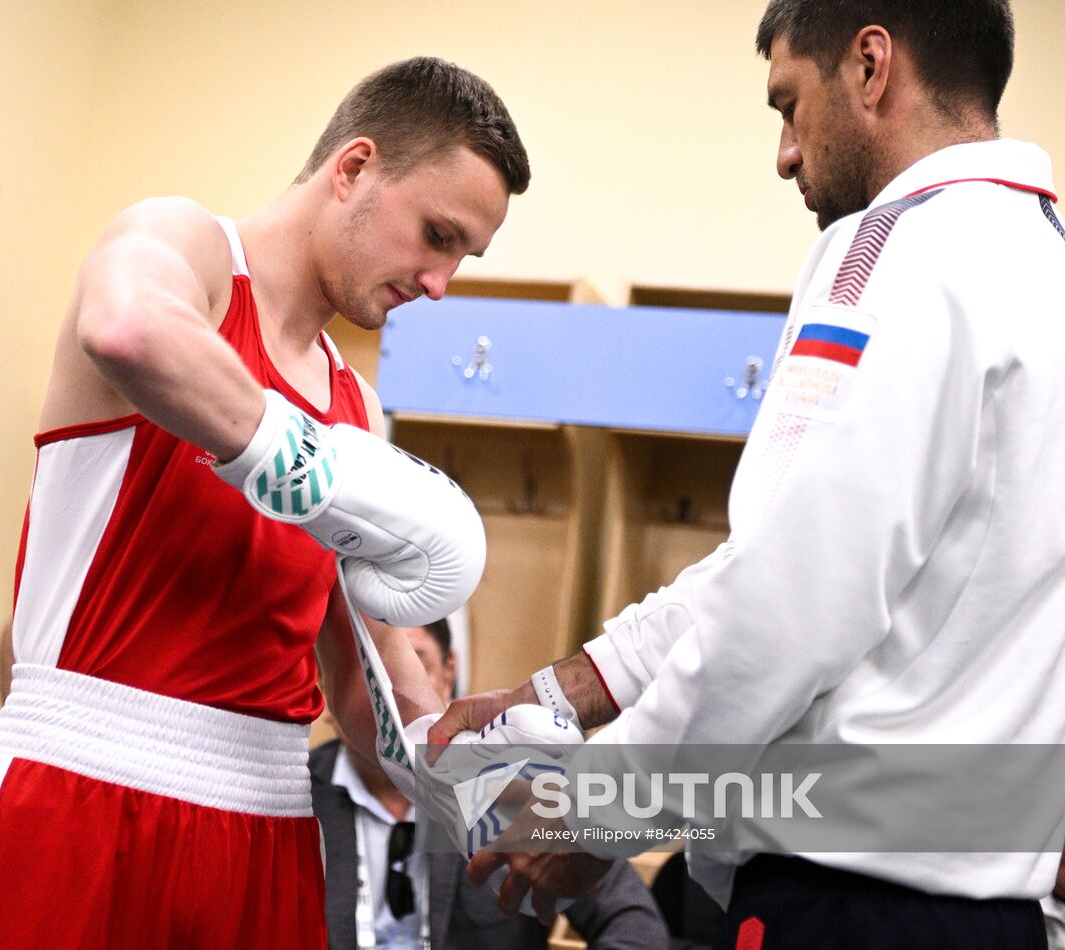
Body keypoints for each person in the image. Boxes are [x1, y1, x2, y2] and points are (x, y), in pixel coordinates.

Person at [433, 2, 1065, 948]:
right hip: (993, 912)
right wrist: (564, 693)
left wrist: (598, 813)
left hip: (848, 904)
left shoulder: (895, 250)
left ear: (871, 65)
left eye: (789, 104)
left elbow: (789, 594)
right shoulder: (1043, 263)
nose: (785, 153)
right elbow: (788, 565)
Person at [0, 57, 529, 950]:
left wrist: (501, 781)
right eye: (437, 235)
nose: (440, 282)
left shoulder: (356, 412)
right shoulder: (187, 248)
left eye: (463, 256)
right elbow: (126, 325)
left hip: (266, 830)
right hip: (82, 794)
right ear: (354, 168)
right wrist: (304, 464)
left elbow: (367, 687)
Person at [310, 616, 669, 949]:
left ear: (449, 673)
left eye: (415, 667)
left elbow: (635, 924)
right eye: (366, 674)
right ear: (326, 688)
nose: (390, 696)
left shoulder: (515, 775)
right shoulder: (296, 799)